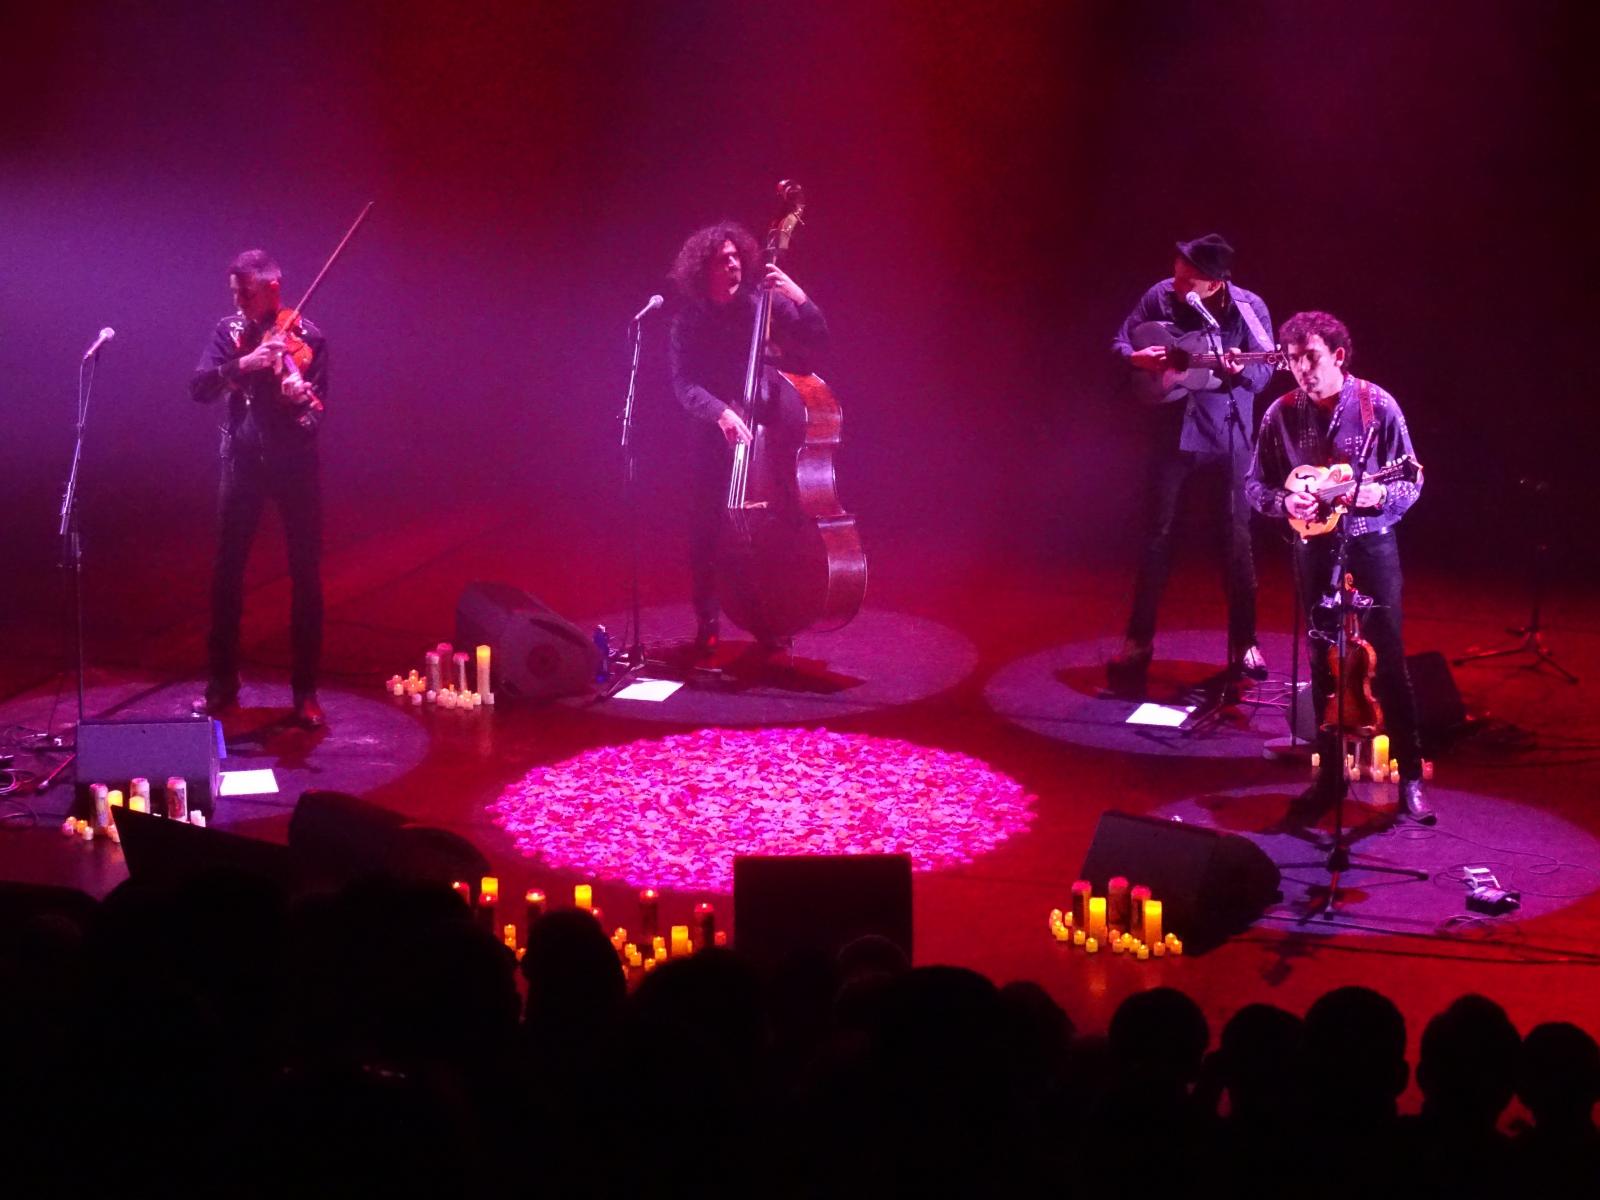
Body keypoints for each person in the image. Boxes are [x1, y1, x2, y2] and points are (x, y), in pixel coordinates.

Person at [1246, 310, 1431, 822]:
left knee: (1386, 657)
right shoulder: (1280, 413)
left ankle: (1410, 775)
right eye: (1293, 359)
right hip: (1314, 548)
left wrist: (1379, 495)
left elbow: (1412, 478)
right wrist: (1284, 503)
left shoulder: (1377, 405)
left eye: (1311, 357)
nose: (1302, 369)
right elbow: (1255, 484)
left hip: (1371, 543)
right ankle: (1329, 776)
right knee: (1321, 658)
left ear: (1338, 355)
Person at [1107, 234, 1276, 693]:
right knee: (1156, 537)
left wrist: (1241, 368)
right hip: (1172, 433)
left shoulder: (1249, 308)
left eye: (1188, 281)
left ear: (1215, 284)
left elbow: (1266, 370)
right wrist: (1135, 356)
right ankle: (1137, 643)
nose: (1176, 285)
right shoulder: (1159, 294)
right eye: (1176, 275)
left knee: (1236, 539)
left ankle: (1245, 644)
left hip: (1228, 435)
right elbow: (1119, 340)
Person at [667, 222, 829, 651]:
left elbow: (818, 338)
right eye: (724, 260)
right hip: (713, 438)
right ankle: (708, 621)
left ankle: (772, 618)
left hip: (764, 438)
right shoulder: (688, 321)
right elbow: (684, 383)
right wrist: (719, 412)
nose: (734, 265)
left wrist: (799, 297)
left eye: (737, 257)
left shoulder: (762, 303)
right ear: (705, 270)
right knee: (706, 531)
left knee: (770, 531)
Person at [189, 249, 327, 728]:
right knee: (227, 573)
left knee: (306, 576)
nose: (239, 303)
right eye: (234, 294)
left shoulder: (310, 338)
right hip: (242, 463)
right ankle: (221, 685)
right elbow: (199, 387)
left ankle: (305, 693)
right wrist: (246, 363)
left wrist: (295, 399)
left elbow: (314, 419)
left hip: (294, 469)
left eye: (246, 294)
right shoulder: (229, 333)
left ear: (272, 288)